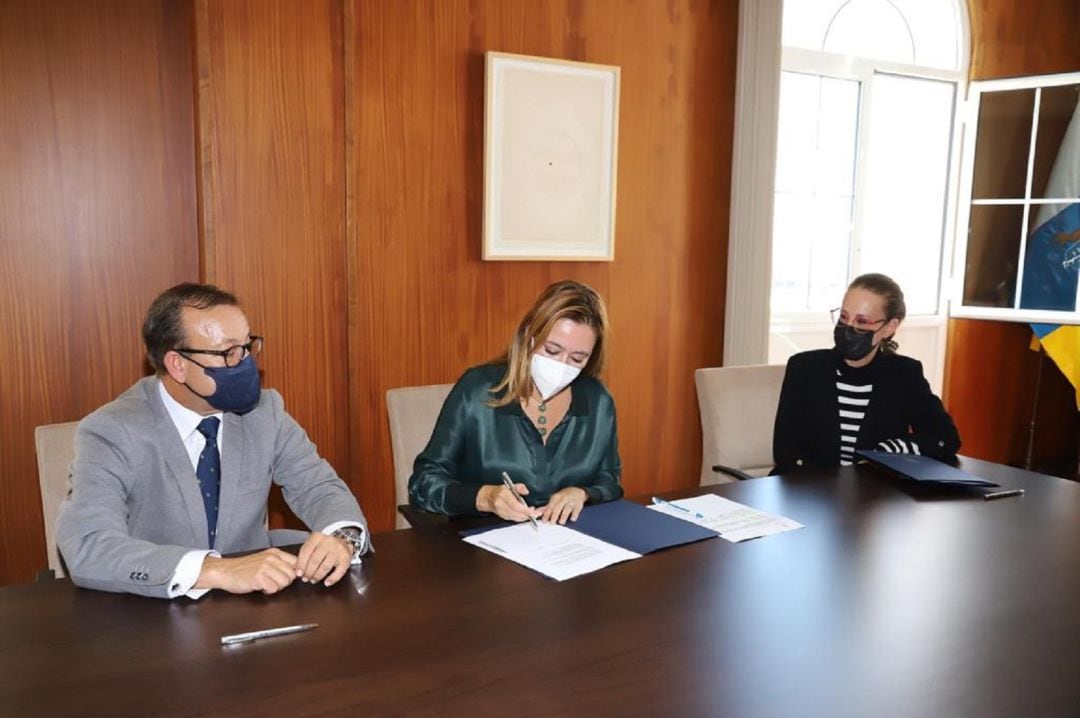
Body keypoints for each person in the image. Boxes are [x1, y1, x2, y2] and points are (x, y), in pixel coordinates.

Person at [56, 283, 369, 599]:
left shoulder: (264, 412)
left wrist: (341, 537)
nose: (245, 362)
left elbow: (320, 488)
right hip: (153, 615)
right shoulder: (112, 430)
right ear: (177, 364)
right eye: (227, 352)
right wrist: (216, 571)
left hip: (257, 606)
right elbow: (88, 545)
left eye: (247, 347)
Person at [408, 280, 622, 524]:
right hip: (481, 547)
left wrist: (583, 493)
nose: (561, 365)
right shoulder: (478, 389)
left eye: (577, 358)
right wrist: (485, 497)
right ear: (530, 335)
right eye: (552, 350)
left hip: (569, 546)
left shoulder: (597, 400)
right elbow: (423, 483)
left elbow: (610, 482)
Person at [773, 273, 960, 473]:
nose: (849, 327)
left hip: (873, 496)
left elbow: (945, 437)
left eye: (862, 322)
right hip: (806, 490)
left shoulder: (905, 374)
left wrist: (892, 450)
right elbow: (785, 451)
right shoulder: (804, 368)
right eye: (844, 317)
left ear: (889, 327)